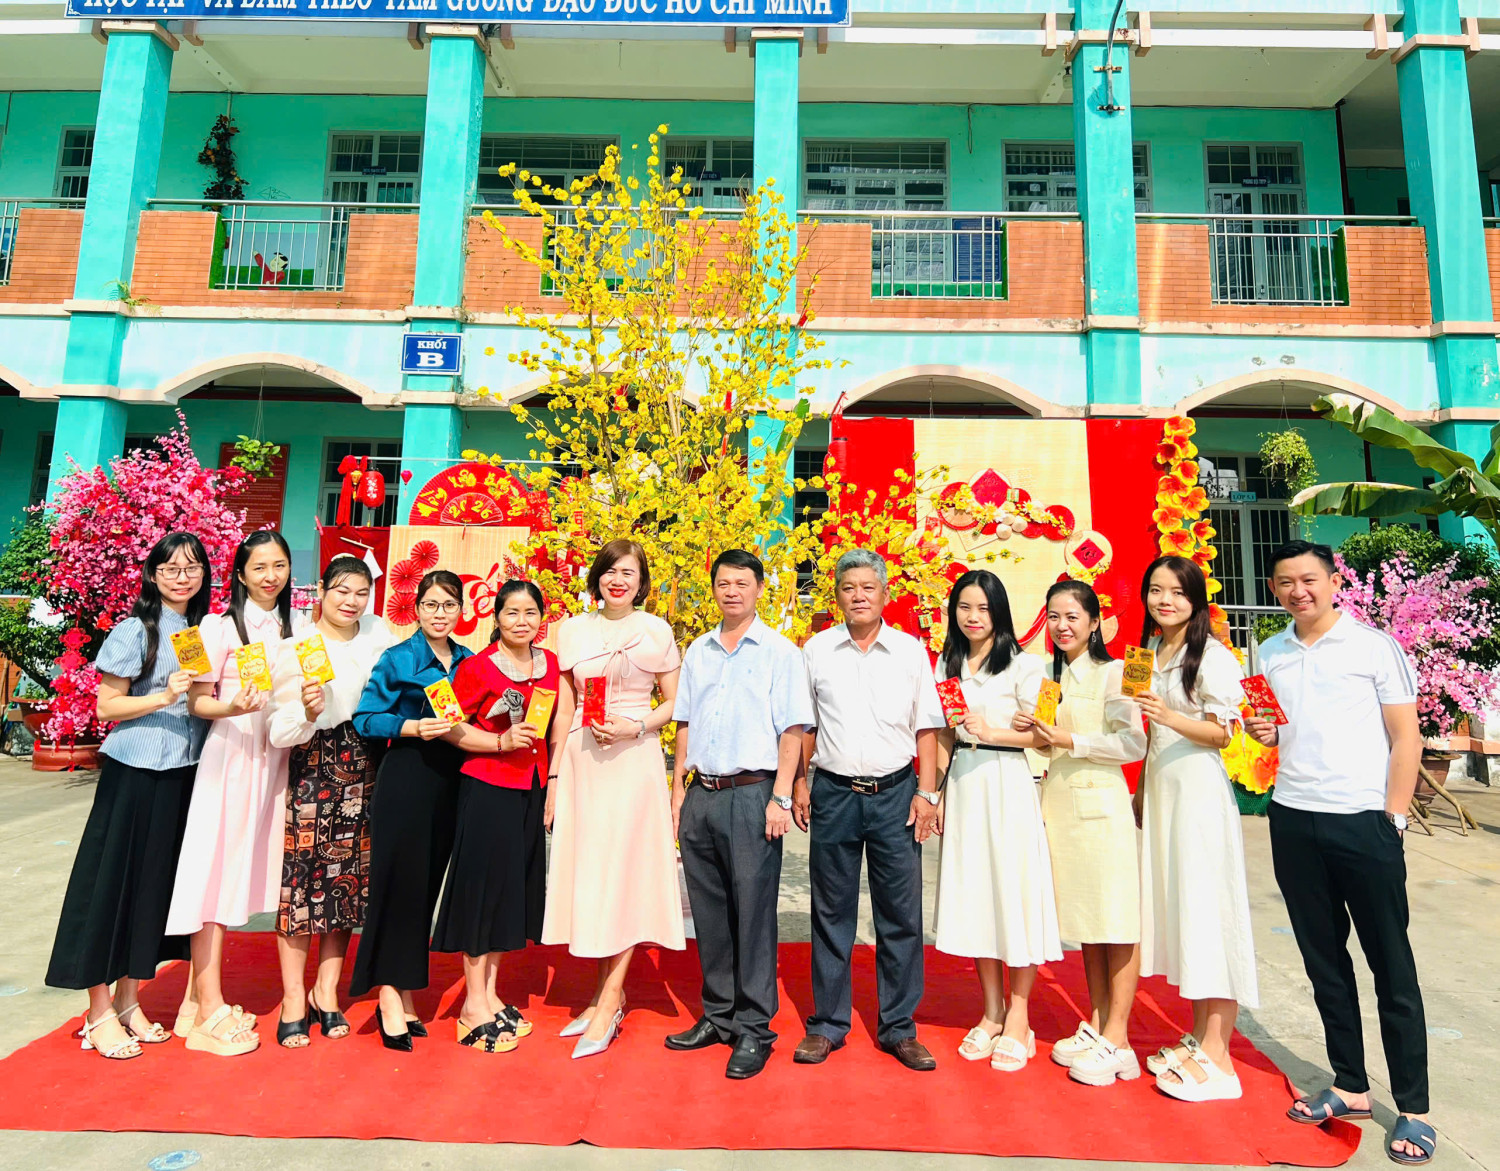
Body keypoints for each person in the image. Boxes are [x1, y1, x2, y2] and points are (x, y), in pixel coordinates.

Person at [1246, 540, 1434, 1166]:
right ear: (1274, 590)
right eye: (1285, 582)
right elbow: (1271, 730)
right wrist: (1263, 731)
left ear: (1334, 582)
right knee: (1324, 963)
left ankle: (1414, 1108)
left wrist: (1394, 818)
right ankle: (1350, 1084)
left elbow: (1406, 737)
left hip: (1363, 821)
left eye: (1309, 579)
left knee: (1391, 966)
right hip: (1293, 818)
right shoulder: (1269, 651)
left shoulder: (1374, 647)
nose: (1298, 591)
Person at [45, 532, 213, 1061]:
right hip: (134, 771)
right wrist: (164, 695)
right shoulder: (134, 629)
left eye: (192, 568)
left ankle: (128, 1000)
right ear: (153, 574)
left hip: (180, 772)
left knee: (150, 888)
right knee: (111, 886)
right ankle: (97, 1012)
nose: (182, 578)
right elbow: (106, 707)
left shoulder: (196, 632)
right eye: (171, 569)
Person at [793, 548, 946, 1072]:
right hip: (834, 794)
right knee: (830, 911)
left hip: (896, 795)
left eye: (868, 587)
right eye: (848, 587)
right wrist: (800, 781)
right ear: (836, 595)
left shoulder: (910, 652)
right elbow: (805, 726)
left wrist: (927, 793)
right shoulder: (817, 650)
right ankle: (827, 1024)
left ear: (885, 594)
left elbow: (927, 727)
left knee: (900, 915)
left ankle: (899, 1027)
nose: (858, 596)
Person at [667, 549, 812, 1080]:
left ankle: (754, 1028)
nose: (732, 591)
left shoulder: (780, 652)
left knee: (753, 913)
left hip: (753, 794)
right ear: (714, 588)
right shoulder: (699, 650)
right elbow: (684, 721)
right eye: (723, 583)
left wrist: (780, 797)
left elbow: (793, 729)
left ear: (759, 589)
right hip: (702, 792)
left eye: (742, 583)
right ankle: (719, 1014)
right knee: (708, 912)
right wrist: (678, 788)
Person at [543, 539, 683, 1060]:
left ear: (641, 581)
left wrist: (636, 726)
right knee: (595, 874)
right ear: (597, 577)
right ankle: (605, 994)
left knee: (625, 873)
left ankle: (607, 1004)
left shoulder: (657, 630)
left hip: (634, 759)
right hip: (584, 759)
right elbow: (564, 710)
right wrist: (555, 776)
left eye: (629, 572)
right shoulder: (572, 630)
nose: (618, 580)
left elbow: (675, 704)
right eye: (610, 571)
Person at [166, 530, 304, 1057]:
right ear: (241, 574)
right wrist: (232, 708)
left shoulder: (299, 627)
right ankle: (209, 1010)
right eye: (259, 567)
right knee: (214, 876)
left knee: (243, 876)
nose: (271, 576)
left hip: (276, 761)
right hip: (230, 759)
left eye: (279, 565)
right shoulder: (215, 626)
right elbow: (196, 702)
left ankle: (190, 1005)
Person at [1133, 556, 1258, 1102]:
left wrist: (1170, 717)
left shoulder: (1214, 656)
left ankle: (1220, 1057)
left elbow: (1223, 734)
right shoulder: (1147, 652)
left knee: (1210, 913)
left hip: (1199, 797)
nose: (1165, 601)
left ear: (1196, 599)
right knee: (1184, 913)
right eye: (1156, 590)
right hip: (1163, 792)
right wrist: (1142, 788)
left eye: (1177, 592)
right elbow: (1144, 730)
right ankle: (1199, 1036)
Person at [1015, 579, 1146, 1087]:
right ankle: (1096, 1021)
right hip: (1061, 808)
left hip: (1103, 809)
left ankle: (1120, 1038)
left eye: (1072, 616)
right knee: (1089, 921)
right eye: (1053, 616)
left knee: (1117, 920)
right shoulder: (1052, 681)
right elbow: (1045, 747)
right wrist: (1029, 733)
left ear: (1095, 623)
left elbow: (1133, 743)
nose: (1061, 626)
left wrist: (1071, 739)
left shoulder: (1121, 669)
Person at [933, 570, 1061, 1073]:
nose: (973, 617)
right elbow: (946, 734)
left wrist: (996, 733)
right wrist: (936, 794)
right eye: (964, 607)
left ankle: (1020, 1018)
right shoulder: (947, 662)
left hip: (1008, 784)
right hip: (966, 786)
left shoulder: (1031, 666)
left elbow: (1048, 735)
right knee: (978, 898)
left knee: (1013, 895)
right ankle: (991, 1011)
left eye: (983, 608)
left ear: (1000, 612)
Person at [266, 554, 394, 1048]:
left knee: (346, 884)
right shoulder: (297, 646)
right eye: (341, 591)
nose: (352, 602)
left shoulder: (378, 635)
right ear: (320, 591)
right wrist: (305, 710)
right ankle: (293, 999)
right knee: (302, 884)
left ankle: (327, 990)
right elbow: (277, 730)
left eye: (361, 593)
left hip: (367, 764)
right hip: (315, 762)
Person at [432, 580, 564, 1054]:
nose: (521, 621)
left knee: (510, 894)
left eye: (530, 613)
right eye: (511, 613)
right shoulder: (476, 667)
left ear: (541, 618)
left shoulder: (550, 665)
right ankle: (472, 1007)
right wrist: (498, 742)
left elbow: (557, 724)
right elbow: (448, 724)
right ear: (497, 617)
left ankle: (489, 994)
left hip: (530, 788)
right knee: (482, 894)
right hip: (487, 787)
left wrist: (552, 783)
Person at [348, 569, 473, 1050]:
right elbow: (365, 717)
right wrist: (411, 727)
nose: (440, 614)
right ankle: (387, 995)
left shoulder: (468, 660)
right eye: (431, 605)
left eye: (449, 605)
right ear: (417, 609)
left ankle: (404, 991)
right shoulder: (398, 658)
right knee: (396, 886)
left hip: (450, 783)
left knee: (424, 891)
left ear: (461, 610)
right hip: (406, 777)